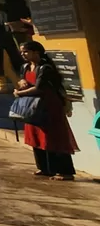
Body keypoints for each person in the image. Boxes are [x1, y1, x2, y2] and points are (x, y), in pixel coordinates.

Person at [15, 40, 78, 180]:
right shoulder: (25, 67)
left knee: (54, 137)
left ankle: (64, 171)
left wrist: (20, 93)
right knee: (36, 137)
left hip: (49, 106)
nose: (23, 54)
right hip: (32, 106)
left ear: (36, 52)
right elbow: (22, 80)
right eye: (22, 52)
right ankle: (45, 168)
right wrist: (22, 83)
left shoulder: (45, 68)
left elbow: (39, 87)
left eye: (26, 51)